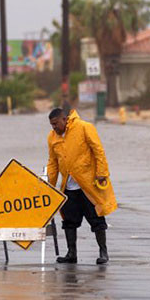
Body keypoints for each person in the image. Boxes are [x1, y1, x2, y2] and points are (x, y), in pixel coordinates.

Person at [47, 107, 117, 264]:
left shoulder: (84, 127)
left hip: (88, 184)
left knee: (97, 219)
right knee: (69, 221)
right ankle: (71, 254)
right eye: (51, 125)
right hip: (68, 187)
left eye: (56, 123)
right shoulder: (52, 138)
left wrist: (102, 173)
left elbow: (98, 151)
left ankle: (103, 252)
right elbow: (53, 163)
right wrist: (49, 187)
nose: (54, 127)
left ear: (65, 119)